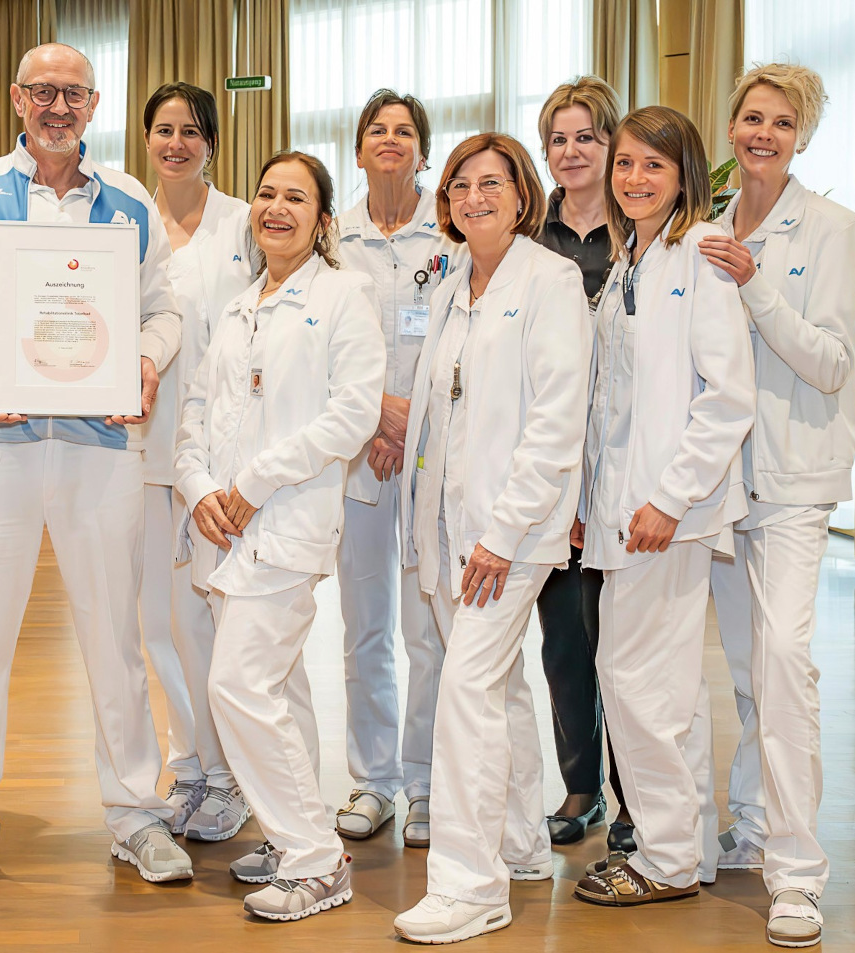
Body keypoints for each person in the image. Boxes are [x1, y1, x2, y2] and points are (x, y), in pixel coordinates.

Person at [0, 43, 190, 891]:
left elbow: (162, 311)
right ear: (17, 97)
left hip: (104, 449)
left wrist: (142, 357)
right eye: (43, 92)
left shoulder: (131, 202)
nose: (58, 107)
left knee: (114, 638)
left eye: (74, 93)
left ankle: (136, 814)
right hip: (0, 445)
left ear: (95, 105)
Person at [389, 133, 589, 944]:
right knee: (497, 687)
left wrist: (504, 534)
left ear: (521, 194)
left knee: (466, 693)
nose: (476, 197)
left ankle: (473, 885)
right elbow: (437, 408)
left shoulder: (552, 279)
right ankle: (521, 844)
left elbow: (554, 420)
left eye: (493, 183)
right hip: (446, 527)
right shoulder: (447, 287)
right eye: (462, 185)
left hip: (510, 534)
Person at [175, 150, 383, 921]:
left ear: (323, 218)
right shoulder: (237, 307)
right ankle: (289, 833)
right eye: (266, 194)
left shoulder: (343, 296)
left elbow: (353, 412)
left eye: (296, 197)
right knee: (283, 689)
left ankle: (317, 860)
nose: (276, 207)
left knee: (238, 684)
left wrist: (252, 484)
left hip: (283, 521)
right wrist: (199, 488)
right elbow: (198, 409)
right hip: (225, 526)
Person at [571, 105, 754, 907]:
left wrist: (670, 498)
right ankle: (683, 847)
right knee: (663, 683)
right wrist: (585, 499)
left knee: (636, 677)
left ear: (685, 174)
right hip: (624, 509)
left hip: (664, 512)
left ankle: (668, 856)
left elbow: (727, 398)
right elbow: (609, 401)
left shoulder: (700, 259)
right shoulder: (631, 261)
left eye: (654, 164)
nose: (636, 178)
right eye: (626, 165)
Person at [702, 63, 855, 949]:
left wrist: (757, 281)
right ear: (731, 126)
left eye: (783, 121)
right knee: (746, 671)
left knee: (787, 660)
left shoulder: (833, 227)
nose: (764, 132)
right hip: (726, 484)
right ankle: (754, 823)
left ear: (802, 135)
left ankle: (797, 872)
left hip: (797, 481)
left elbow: (831, 362)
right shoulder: (705, 228)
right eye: (752, 116)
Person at [332, 90, 466, 847]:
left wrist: (406, 419)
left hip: (431, 453)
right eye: (376, 130)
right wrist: (375, 417)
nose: (390, 140)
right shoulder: (333, 236)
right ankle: (371, 780)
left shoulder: (448, 234)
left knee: (427, 629)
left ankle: (423, 783)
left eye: (405, 131)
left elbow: (457, 333)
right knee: (363, 627)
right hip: (356, 453)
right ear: (357, 151)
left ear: (424, 149)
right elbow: (323, 342)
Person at [137, 81, 256, 840]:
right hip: (136, 441)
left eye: (191, 130)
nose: (176, 142)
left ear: (211, 140)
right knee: (158, 621)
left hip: (218, 451)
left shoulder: (246, 221)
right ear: (145, 136)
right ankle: (191, 766)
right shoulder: (124, 218)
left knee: (214, 618)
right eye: (163, 129)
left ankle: (235, 775)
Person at [532, 75, 633, 854]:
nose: (571, 152)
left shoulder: (643, 233)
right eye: (559, 139)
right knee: (564, 636)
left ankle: (639, 798)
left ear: (612, 144)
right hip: (556, 466)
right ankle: (581, 787)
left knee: (627, 644)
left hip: (628, 467)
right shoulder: (532, 236)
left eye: (586, 138)